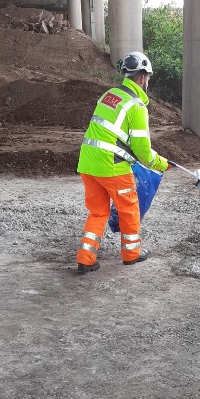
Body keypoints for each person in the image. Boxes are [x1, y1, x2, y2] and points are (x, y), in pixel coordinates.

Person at [74, 51, 169, 274]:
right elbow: (143, 152)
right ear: (143, 77)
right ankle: (131, 254)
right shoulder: (136, 106)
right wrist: (162, 164)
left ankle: (85, 259)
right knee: (128, 209)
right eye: (148, 79)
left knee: (97, 213)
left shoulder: (109, 96)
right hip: (112, 166)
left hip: (88, 163)